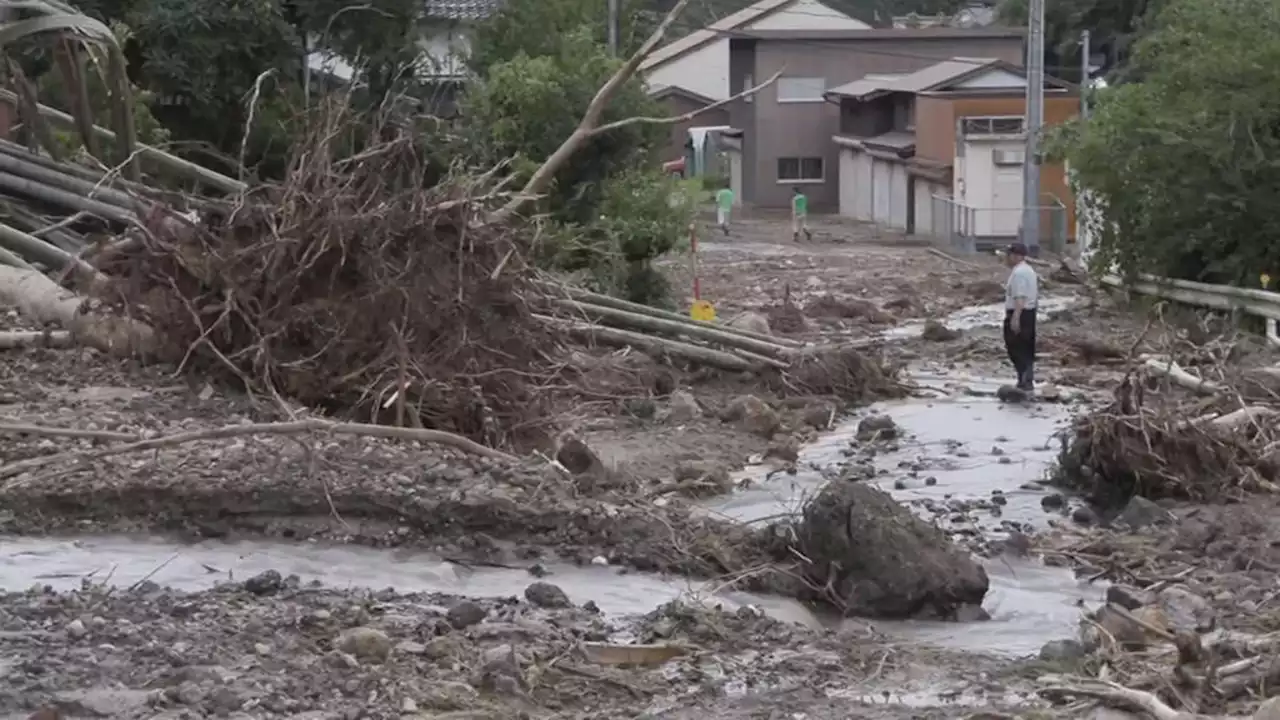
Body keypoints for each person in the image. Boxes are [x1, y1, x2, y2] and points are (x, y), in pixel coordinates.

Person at [1002, 242, 1039, 391]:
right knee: (1026, 347)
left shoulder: (1019, 274)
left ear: (1016, 256)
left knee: (1015, 346)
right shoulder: (1029, 271)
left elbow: (1020, 297)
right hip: (1030, 312)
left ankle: (1024, 378)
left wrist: (1016, 317)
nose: (1007, 258)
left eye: (1009, 255)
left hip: (1020, 311)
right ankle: (1026, 378)